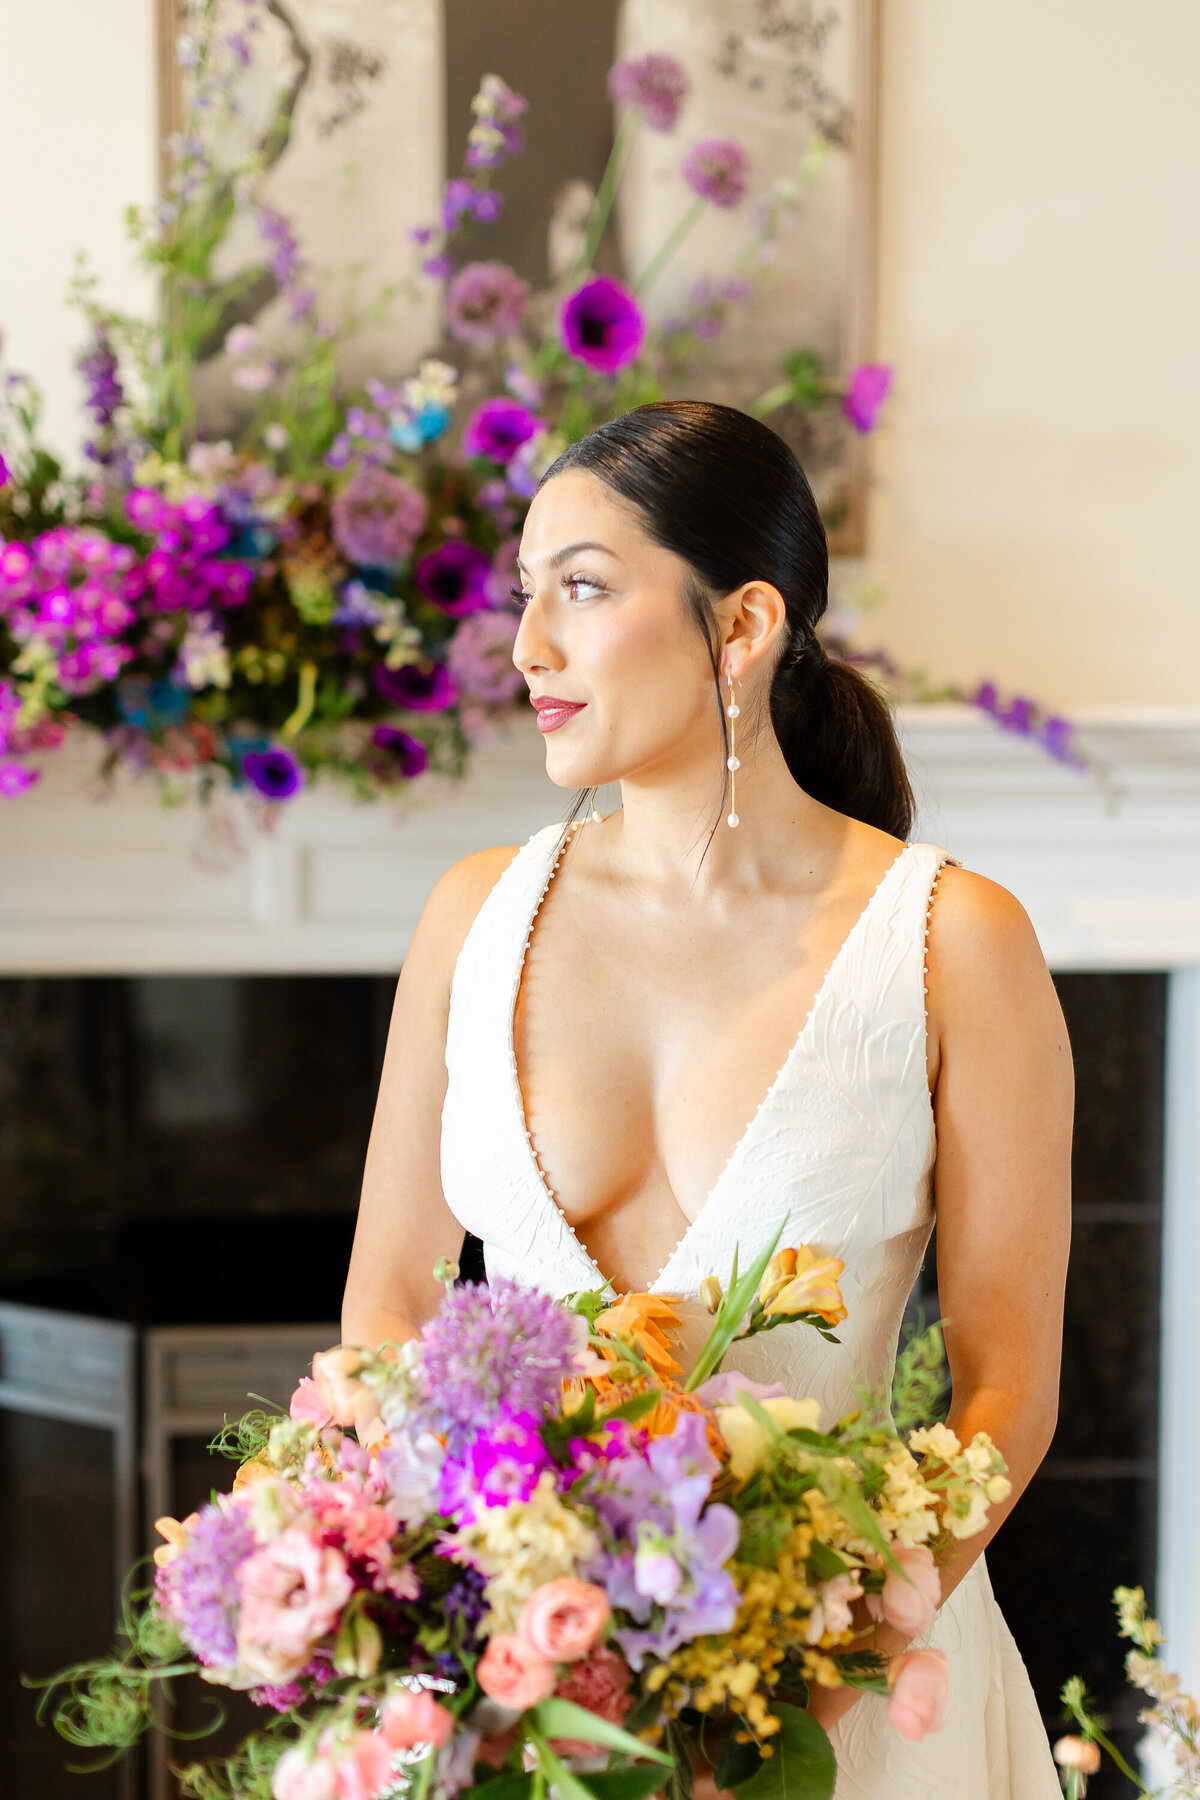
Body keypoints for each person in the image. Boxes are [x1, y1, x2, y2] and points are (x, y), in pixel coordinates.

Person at [342, 401, 1072, 1797]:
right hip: (544, 1699)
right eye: (522, 595)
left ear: (740, 630)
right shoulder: (470, 917)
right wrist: (461, 1574)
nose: (526, 648)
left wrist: (815, 1651)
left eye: (585, 589)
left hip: (856, 1706)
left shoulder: (955, 943)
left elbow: (1011, 1388)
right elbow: (388, 1304)